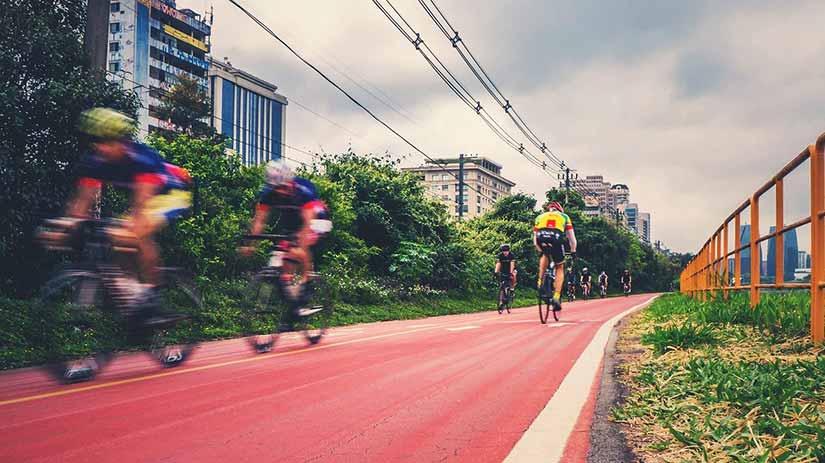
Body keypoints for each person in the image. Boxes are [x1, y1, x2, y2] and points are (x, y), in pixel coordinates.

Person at [56, 107, 192, 322]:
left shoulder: (143, 160)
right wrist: (65, 226)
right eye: (97, 141)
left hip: (172, 192)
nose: (101, 148)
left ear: (123, 141)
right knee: (117, 238)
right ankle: (133, 292)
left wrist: (132, 229)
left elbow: (141, 205)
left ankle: (152, 294)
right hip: (146, 197)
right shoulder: (95, 162)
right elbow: (81, 203)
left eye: (109, 142)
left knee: (137, 232)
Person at [240, 161, 331, 290]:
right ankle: (290, 292)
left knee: (298, 245)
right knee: (284, 254)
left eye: (284, 187)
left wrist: (300, 246)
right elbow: (259, 220)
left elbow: (307, 223)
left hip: (317, 220)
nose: (281, 192)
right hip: (294, 221)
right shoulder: (268, 194)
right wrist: (251, 245)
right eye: (277, 188)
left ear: (290, 181)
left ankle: (306, 282)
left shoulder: (303, 191)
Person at [533, 201, 577, 308]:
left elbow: (535, 240)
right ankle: (556, 297)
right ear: (560, 210)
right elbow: (572, 239)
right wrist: (573, 251)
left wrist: (539, 250)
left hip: (541, 237)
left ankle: (540, 281)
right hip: (555, 238)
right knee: (560, 266)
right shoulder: (564, 217)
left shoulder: (540, 217)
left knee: (544, 254)